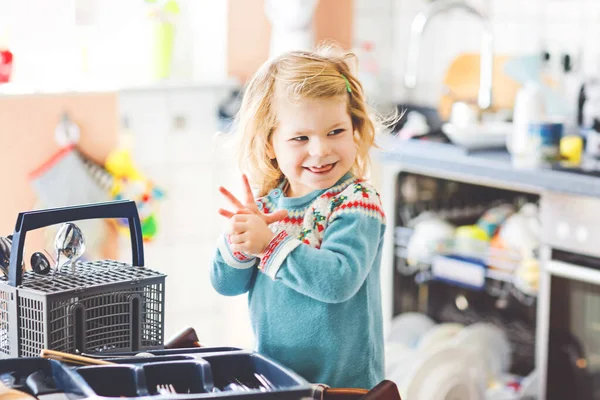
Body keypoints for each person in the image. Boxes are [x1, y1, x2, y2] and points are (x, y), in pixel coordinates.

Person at [210, 44, 387, 389]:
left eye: (335, 131)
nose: (320, 149)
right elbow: (225, 284)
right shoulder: (266, 207)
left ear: (355, 128)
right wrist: (242, 241)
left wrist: (270, 244)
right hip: (279, 382)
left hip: (343, 388)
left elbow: (339, 280)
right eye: (300, 138)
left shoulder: (357, 202)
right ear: (270, 145)